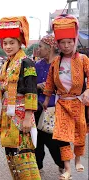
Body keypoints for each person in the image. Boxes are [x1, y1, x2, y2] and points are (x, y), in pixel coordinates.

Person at [0, 16, 41, 179]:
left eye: (11, 43)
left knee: (25, 159)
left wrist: (28, 117)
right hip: (7, 120)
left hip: (21, 119)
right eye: (5, 43)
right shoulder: (7, 64)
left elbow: (31, 90)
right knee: (13, 159)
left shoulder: (27, 62)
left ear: (20, 42)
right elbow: (1, 92)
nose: (7, 46)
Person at [43, 14, 89, 180]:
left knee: (79, 133)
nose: (67, 45)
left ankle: (78, 159)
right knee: (63, 137)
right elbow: (49, 81)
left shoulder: (83, 59)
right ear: (58, 44)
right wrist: (47, 99)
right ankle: (67, 168)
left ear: (75, 41)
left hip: (78, 103)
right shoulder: (56, 62)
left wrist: (87, 90)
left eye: (70, 42)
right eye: (63, 42)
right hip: (62, 103)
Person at [34, 35, 64, 174]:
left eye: (40, 46)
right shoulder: (38, 65)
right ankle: (38, 167)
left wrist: (50, 87)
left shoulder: (61, 64)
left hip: (54, 108)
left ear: (50, 47)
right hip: (38, 107)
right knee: (37, 140)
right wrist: (37, 86)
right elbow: (30, 84)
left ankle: (62, 163)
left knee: (52, 141)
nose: (38, 49)